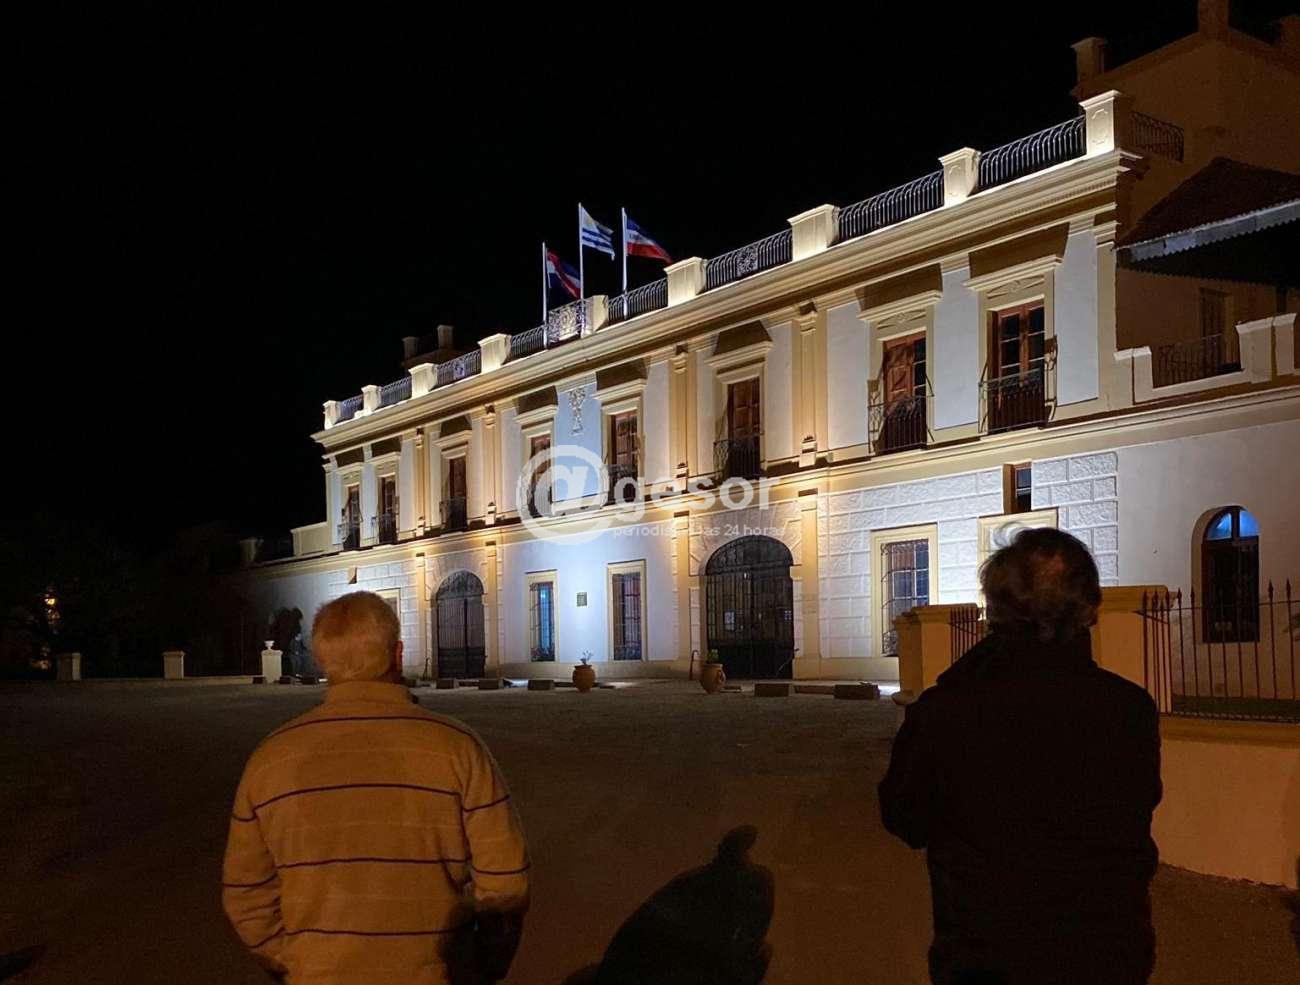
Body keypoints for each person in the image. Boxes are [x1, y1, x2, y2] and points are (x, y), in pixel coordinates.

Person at [879, 528, 1162, 985]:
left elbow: (904, 816)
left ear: (994, 609)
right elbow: (1138, 810)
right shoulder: (1128, 708)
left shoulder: (947, 709)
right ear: (1090, 609)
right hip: (1107, 953)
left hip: (986, 956)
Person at [222, 591, 529, 984]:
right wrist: (479, 966)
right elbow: (506, 879)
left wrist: (294, 962)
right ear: (398, 653)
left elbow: (245, 891)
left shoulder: (269, 760)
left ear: (322, 660)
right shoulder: (458, 748)